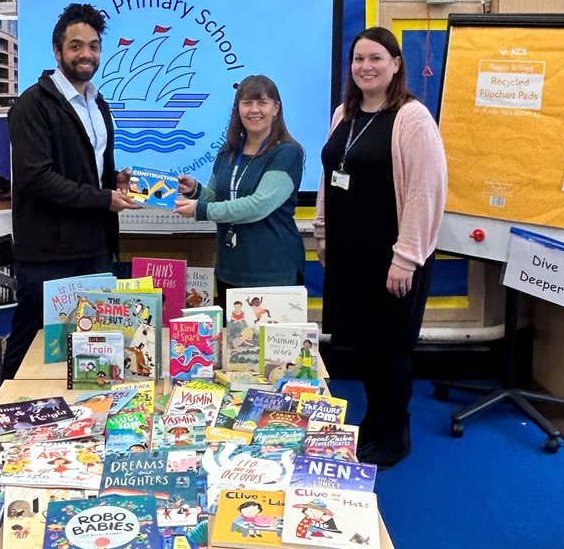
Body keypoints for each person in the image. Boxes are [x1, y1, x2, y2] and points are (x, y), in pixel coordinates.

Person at [314, 26, 447, 469]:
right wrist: (322, 233)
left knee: (391, 348)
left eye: (375, 58)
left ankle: (396, 433)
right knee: (366, 346)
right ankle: (374, 420)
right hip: (351, 256)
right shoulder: (343, 115)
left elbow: (426, 193)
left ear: (395, 65)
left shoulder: (412, 118)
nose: (365, 67)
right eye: (358, 59)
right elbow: (329, 176)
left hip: (392, 258)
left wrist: (406, 257)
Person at [3, 2, 138, 379]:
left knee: (92, 348)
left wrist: (114, 184)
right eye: (76, 46)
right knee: (32, 342)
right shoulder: (32, 105)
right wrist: (103, 198)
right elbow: (37, 178)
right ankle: (2, 421)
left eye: (93, 46)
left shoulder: (99, 104)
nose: (86, 54)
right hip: (48, 256)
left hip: (95, 249)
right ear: (57, 50)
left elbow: (91, 171)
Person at [175, 74, 304, 302]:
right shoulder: (228, 151)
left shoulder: (286, 153)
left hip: (273, 273)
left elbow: (258, 205)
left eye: (262, 102)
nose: (254, 110)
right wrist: (195, 190)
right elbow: (216, 197)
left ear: (276, 108)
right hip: (230, 269)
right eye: (247, 103)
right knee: (234, 339)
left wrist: (200, 210)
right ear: (238, 109)